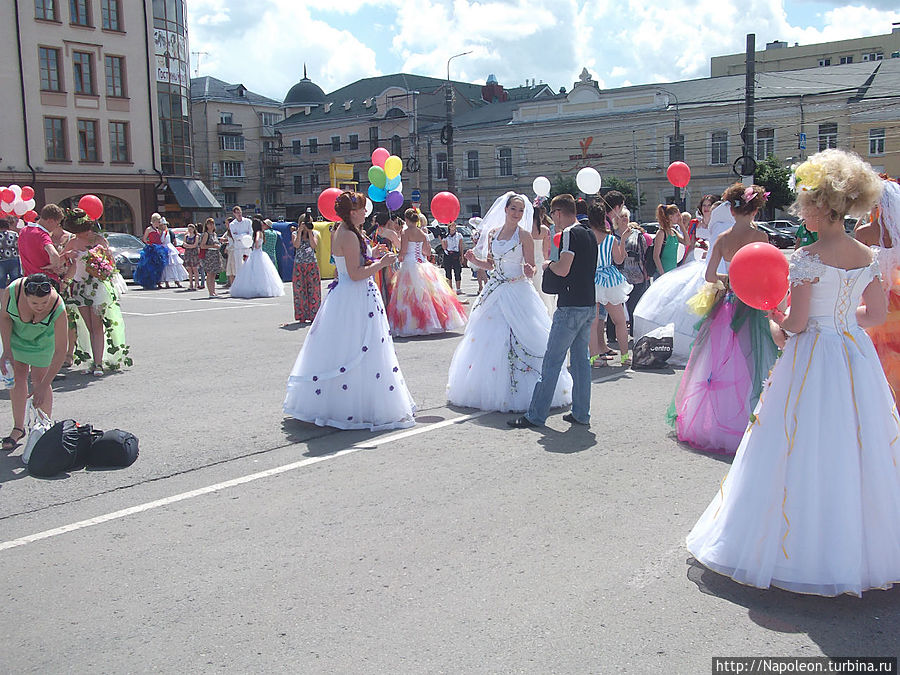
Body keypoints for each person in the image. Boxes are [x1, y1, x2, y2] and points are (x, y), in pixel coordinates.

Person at [687, 149, 899, 597]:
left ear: (823, 206)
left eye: (805, 200)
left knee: (798, 441)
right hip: (854, 356)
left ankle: (800, 550)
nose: (800, 208)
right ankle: (861, 548)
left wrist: (776, 322)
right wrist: (841, 322)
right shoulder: (867, 254)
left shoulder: (806, 257)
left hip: (813, 356)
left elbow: (796, 325)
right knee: (857, 442)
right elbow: (876, 312)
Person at [283, 191, 415, 430]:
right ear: (353, 212)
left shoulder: (346, 231)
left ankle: (341, 400)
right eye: (363, 208)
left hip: (347, 295)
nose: (367, 212)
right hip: (355, 296)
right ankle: (354, 406)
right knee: (358, 348)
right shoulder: (349, 234)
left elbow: (352, 262)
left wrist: (371, 254)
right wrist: (381, 263)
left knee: (347, 347)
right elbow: (355, 274)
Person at [667, 184, 778, 454]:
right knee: (756, 362)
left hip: (727, 304)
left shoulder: (724, 238)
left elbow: (709, 276)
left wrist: (729, 280)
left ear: (731, 208)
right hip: (753, 305)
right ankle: (754, 419)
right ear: (755, 209)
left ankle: (717, 421)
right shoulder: (760, 236)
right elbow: (766, 272)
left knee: (718, 365)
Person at [449, 192, 572, 413]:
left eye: (520, 210)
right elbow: (490, 264)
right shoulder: (493, 234)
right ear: (505, 210)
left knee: (524, 336)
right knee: (490, 338)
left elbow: (531, 266)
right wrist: (474, 260)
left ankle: (527, 389)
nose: (516, 213)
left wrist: (529, 269)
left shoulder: (524, 235)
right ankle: (489, 387)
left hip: (517, 289)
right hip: (495, 290)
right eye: (513, 209)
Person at [507, 194, 597, 428]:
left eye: (553, 215)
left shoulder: (568, 234)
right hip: (588, 303)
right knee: (580, 363)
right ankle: (581, 412)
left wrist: (549, 266)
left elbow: (564, 268)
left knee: (552, 362)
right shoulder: (589, 233)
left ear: (558, 212)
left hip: (570, 305)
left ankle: (536, 415)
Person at [633, 199, 734, 366]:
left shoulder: (679, 230)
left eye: (710, 206)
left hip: (696, 265)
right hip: (676, 268)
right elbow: (660, 254)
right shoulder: (665, 232)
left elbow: (687, 242)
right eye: (705, 205)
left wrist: (683, 226)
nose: (708, 208)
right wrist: (663, 273)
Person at [0, 274, 68, 451]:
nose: (39, 307)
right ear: (24, 295)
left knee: (39, 379)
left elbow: (61, 350)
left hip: (43, 340)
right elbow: (5, 318)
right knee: (18, 377)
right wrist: (6, 350)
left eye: (44, 303)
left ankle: (43, 429)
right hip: (17, 336)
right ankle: (18, 428)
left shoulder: (57, 306)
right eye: (34, 303)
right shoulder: (12, 292)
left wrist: (44, 386)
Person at [60, 208, 130, 375]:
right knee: (87, 326)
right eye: (79, 232)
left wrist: (99, 257)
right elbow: (63, 263)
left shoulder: (99, 240)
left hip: (97, 286)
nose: (83, 234)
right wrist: (66, 257)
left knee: (97, 325)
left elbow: (110, 265)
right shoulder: (72, 241)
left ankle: (98, 363)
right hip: (79, 287)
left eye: (83, 230)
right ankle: (92, 360)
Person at [855, 177, 900, 409]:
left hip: (876, 303)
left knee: (879, 362)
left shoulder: (864, 233)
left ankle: (885, 411)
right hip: (897, 305)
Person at [387, 207, 467, 337]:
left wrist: (398, 255)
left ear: (406, 220)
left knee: (409, 295)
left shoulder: (406, 232)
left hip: (409, 263)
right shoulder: (423, 233)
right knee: (429, 294)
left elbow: (403, 250)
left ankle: (413, 324)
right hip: (422, 263)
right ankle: (432, 322)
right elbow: (427, 252)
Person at [588, 203, 632, 368]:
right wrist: (623, 241)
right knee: (620, 320)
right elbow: (619, 260)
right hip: (610, 280)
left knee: (592, 323)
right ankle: (625, 356)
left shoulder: (587, 236)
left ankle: (594, 358)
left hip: (592, 279)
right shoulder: (611, 239)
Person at [229, 217, 285, 299]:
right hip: (257, 253)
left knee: (254, 271)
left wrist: (256, 244)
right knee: (260, 272)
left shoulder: (258, 232)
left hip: (257, 252)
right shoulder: (261, 232)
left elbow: (257, 241)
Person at [17, 203, 67, 283]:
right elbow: (54, 254)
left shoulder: (23, 231)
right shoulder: (42, 235)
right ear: (50, 221)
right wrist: (54, 267)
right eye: (57, 223)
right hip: (46, 281)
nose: (57, 226)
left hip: (29, 280)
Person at [291, 213, 321, 322]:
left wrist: (309, 232)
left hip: (311, 264)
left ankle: (314, 315)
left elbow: (314, 245)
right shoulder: (295, 233)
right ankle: (301, 315)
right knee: (299, 290)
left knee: (314, 290)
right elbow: (296, 245)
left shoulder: (314, 233)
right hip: (299, 264)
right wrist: (300, 232)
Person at [133, 213, 168, 290]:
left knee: (158, 266)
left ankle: (157, 281)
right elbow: (144, 239)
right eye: (158, 222)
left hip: (159, 250)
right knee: (149, 266)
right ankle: (149, 282)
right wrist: (150, 244)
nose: (159, 223)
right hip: (151, 249)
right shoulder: (149, 229)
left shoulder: (158, 230)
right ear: (154, 221)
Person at [530, 201, 553, 314]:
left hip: (527, 261)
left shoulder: (525, 229)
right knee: (541, 290)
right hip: (539, 261)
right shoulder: (544, 230)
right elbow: (546, 251)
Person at [652, 204, 683, 276]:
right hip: (662, 273)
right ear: (671, 217)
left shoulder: (673, 231)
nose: (679, 217)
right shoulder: (661, 233)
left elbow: (687, 242)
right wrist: (662, 273)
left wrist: (681, 225)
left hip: (673, 272)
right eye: (677, 215)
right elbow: (656, 256)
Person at [159, 218, 187, 288]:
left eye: (164, 225)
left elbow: (174, 241)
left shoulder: (169, 232)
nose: (163, 226)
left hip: (170, 248)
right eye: (161, 225)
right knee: (165, 266)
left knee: (174, 264)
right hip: (163, 248)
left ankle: (177, 281)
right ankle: (166, 282)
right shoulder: (160, 232)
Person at [228, 206, 253, 279]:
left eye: (240, 212)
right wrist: (244, 235)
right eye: (237, 213)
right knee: (239, 268)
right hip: (238, 248)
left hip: (247, 247)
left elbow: (250, 233)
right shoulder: (232, 224)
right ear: (234, 214)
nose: (239, 214)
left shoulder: (248, 221)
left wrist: (241, 236)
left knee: (249, 267)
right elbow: (235, 237)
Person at [199, 218, 222, 298]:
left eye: (212, 224)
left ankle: (213, 291)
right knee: (209, 274)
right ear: (206, 225)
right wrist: (212, 246)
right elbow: (202, 245)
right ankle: (210, 292)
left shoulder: (214, 234)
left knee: (214, 274)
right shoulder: (206, 234)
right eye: (209, 224)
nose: (211, 225)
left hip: (215, 254)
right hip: (209, 255)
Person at [441, 221, 464, 294]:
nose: (453, 227)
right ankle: (450, 288)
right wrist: (442, 239)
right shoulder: (446, 236)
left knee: (457, 271)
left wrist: (462, 255)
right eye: (451, 225)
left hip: (456, 254)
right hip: (448, 254)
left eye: (454, 225)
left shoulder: (459, 235)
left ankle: (458, 288)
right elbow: (444, 247)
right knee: (448, 271)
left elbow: (460, 246)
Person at [0, 216, 21, 288]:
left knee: (1, 283)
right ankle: (15, 297)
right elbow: (18, 246)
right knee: (15, 282)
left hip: (1, 260)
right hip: (14, 259)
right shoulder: (14, 234)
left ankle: (2, 298)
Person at [181, 223, 201, 291]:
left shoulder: (196, 236)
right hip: (188, 254)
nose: (189, 230)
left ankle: (196, 284)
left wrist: (188, 246)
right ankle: (191, 284)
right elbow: (183, 244)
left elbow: (195, 245)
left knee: (195, 269)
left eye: (191, 229)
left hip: (194, 254)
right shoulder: (186, 236)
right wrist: (188, 245)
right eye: (188, 229)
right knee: (189, 269)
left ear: (193, 229)